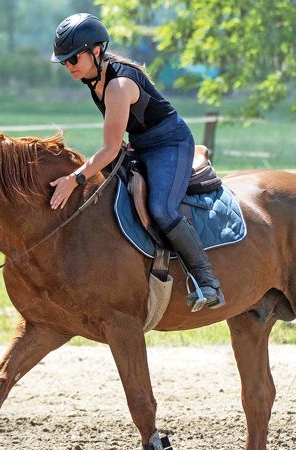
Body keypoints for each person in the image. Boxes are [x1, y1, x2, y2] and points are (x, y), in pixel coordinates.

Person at [49, 13, 224, 312]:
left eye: (73, 58)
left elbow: (108, 149)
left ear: (95, 51)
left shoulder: (117, 85)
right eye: (64, 61)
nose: (68, 66)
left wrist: (74, 178)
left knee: (161, 209)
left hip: (171, 144)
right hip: (141, 144)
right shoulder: (93, 78)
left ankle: (207, 283)